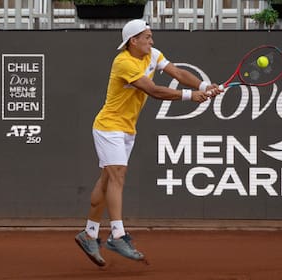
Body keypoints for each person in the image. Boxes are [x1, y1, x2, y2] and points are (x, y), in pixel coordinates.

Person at [74, 19, 222, 266]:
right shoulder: (123, 62)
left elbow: (178, 73)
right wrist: (190, 95)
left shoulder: (152, 54)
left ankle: (89, 233)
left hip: (127, 128)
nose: (152, 41)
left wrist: (205, 85)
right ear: (134, 41)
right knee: (118, 175)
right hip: (109, 126)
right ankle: (117, 235)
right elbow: (152, 90)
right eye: (148, 37)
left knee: (108, 179)